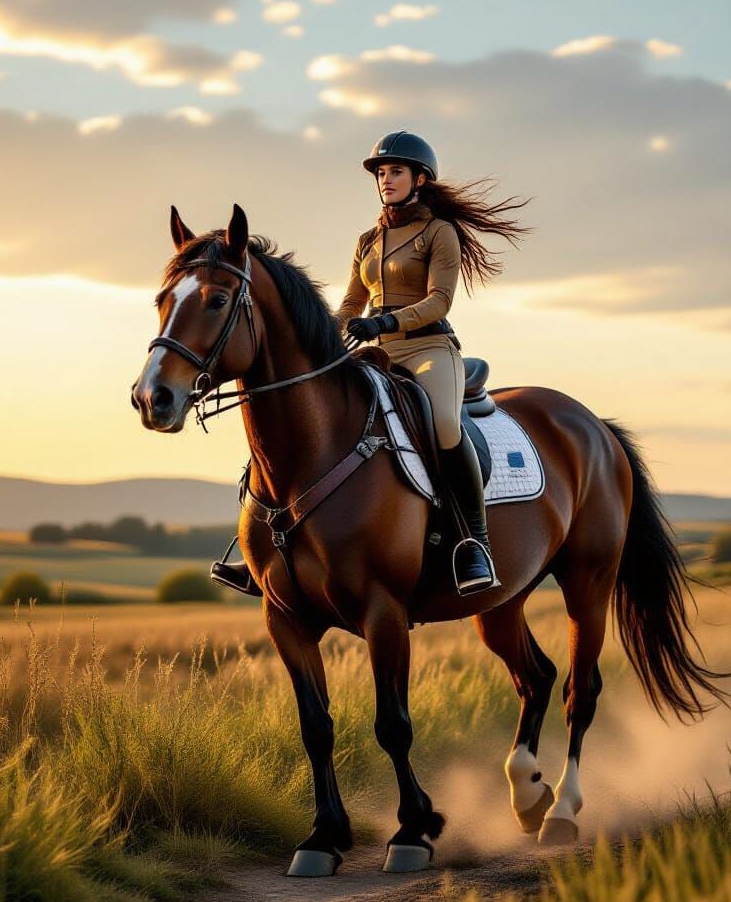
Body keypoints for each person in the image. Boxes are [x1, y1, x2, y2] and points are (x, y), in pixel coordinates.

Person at [212, 130, 530, 597]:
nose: (386, 180)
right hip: (375, 350)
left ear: (420, 179)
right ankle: (264, 542)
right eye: (381, 173)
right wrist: (326, 332)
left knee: (443, 424)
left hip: (427, 351)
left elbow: (439, 301)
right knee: (305, 412)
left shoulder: (440, 233)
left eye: (395, 172)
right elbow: (351, 302)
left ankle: (473, 543)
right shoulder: (368, 240)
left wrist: (384, 322)